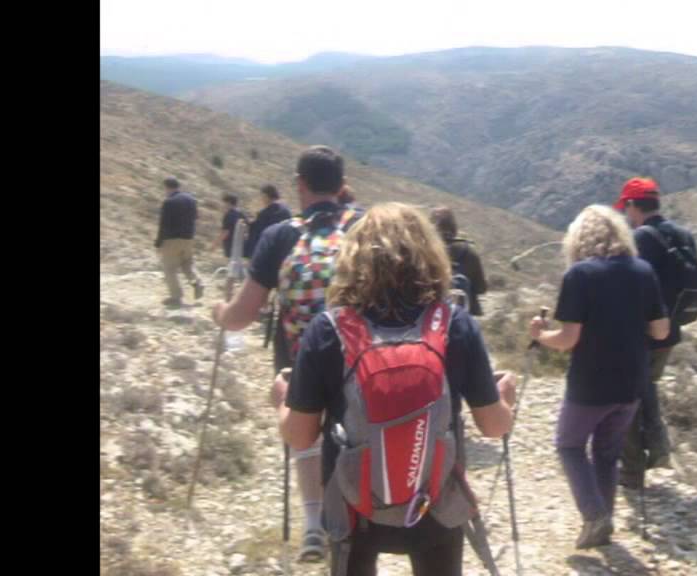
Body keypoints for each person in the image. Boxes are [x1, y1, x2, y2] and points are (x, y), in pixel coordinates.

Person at [271, 202, 516, 575]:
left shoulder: (328, 330)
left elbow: (300, 435)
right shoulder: (456, 326)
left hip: (354, 511)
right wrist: (506, 399)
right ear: (430, 257)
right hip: (435, 507)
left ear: (352, 260)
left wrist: (281, 402)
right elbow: (494, 426)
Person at [213, 146, 358, 562]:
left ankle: (313, 523)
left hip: (300, 360)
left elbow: (241, 316)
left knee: (303, 430)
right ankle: (363, 513)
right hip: (363, 361)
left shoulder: (281, 235)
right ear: (341, 184)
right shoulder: (363, 228)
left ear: (300, 185)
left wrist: (219, 312)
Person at [529, 204, 669, 549]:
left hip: (591, 382)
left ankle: (595, 517)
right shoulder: (643, 270)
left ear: (578, 239)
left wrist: (539, 336)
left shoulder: (580, 275)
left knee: (569, 444)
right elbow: (662, 330)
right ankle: (603, 519)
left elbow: (567, 340)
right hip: (633, 381)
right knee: (607, 453)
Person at [613, 177, 697, 489]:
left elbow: (630, 287)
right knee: (645, 387)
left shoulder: (641, 238)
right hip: (671, 333)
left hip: (641, 334)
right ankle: (658, 447)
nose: (626, 213)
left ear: (633, 206)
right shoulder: (684, 235)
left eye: (626, 207)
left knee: (626, 398)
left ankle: (632, 471)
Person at [429, 207, 487, 316]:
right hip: (464, 317)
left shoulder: (425, 253)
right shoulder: (469, 252)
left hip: (431, 321)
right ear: (454, 227)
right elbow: (481, 288)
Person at [154, 177, 203, 307]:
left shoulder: (168, 202)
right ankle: (198, 283)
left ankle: (176, 297)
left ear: (167, 187)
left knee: (169, 268)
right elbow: (196, 217)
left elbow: (163, 225)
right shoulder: (191, 200)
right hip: (188, 238)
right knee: (187, 265)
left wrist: (158, 243)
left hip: (172, 240)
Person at [243, 184, 292, 259]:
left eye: (262, 196)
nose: (261, 199)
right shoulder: (286, 210)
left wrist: (249, 224)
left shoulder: (266, 213)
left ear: (265, 196)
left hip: (268, 251)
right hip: (284, 249)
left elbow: (258, 231)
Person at [218, 193, 248, 258]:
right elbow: (247, 229)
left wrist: (214, 246)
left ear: (228, 203)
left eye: (224, 203)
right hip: (241, 247)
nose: (222, 205)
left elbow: (225, 232)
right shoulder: (242, 214)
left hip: (230, 247)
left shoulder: (228, 215)